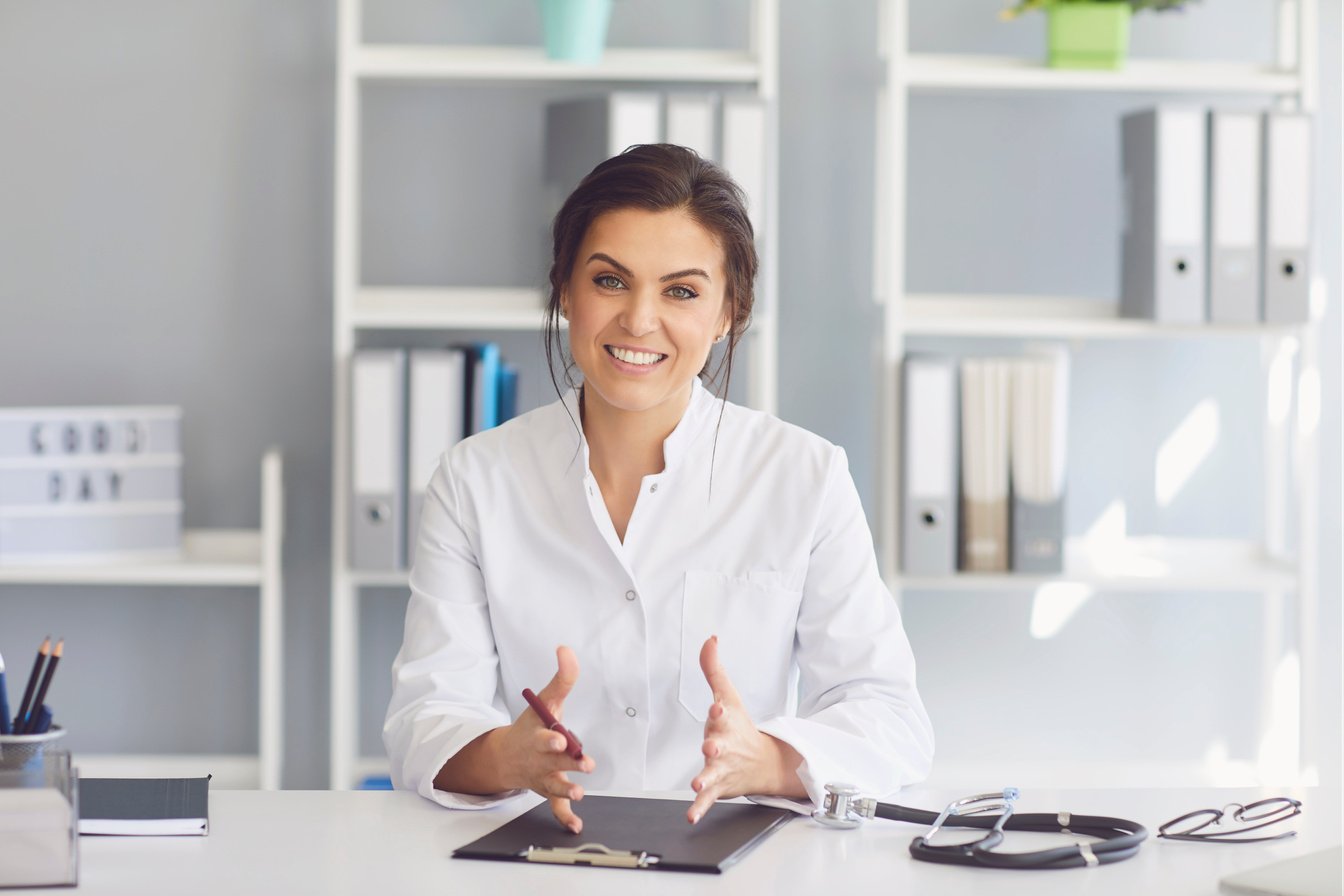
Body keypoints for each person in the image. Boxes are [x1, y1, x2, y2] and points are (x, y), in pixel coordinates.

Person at [384, 144, 933, 832]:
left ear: (729, 310)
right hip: (546, 865)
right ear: (564, 288)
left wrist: (764, 759)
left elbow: (890, 717)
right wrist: (508, 757)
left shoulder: (806, 477)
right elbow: (423, 718)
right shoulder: (474, 481)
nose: (640, 321)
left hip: (739, 868)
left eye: (681, 291)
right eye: (610, 281)